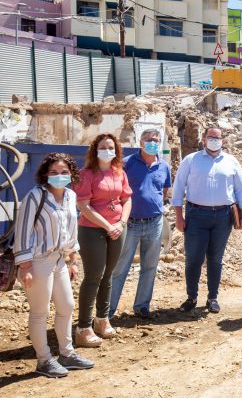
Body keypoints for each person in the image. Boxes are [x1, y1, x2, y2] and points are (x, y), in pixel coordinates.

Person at [13, 153, 95, 377]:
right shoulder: (35, 196)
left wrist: (72, 259)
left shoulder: (69, 195)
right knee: (40, 312)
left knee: (67, 307)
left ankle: (67, 354)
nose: (59, 176)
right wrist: (25, 266)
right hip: (37, 261)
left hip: (59, 260)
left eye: (64, 172)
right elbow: (22, 231)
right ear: (45, 175)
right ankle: (44, 360)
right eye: (54, 173)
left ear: (71, 174)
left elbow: (71, 230)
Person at [172, 127, 242, 314]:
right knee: (193, 259)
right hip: (196, 215)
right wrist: (178, 216)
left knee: (216, 259)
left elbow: (240, 189)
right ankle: (191, 297)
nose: (214, 140)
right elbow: (178, 188)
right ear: (204, 139)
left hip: (223, 217)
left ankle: (212, 297)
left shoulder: (231, 162)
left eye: (217, 137)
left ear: (222, 140)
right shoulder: (191, 160)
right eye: (211, 137)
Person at [74, 133, 132, 348]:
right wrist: (108, 226)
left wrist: (121, 223)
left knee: (108, 275)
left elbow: (126, 200)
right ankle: (83, 327)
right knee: (93, 276)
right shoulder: (86, 174)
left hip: (117, 229)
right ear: (95, 150)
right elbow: (84, 206)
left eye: (111, 147)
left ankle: (102, 319)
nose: (108, 150)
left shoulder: (120, 173)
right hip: (92, 231)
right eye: (103, 147)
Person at [109, 128, 172, 319]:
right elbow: (117, 190)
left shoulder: (164, 166)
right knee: (120, 268)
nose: (153, 142)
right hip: (131, 223)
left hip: (154, 222)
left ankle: (142, 305)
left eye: (156, 139)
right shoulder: (127, 164)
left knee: (150, 266)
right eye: (149, 139)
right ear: (141, 142)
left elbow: (164, 191)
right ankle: (108, 310)